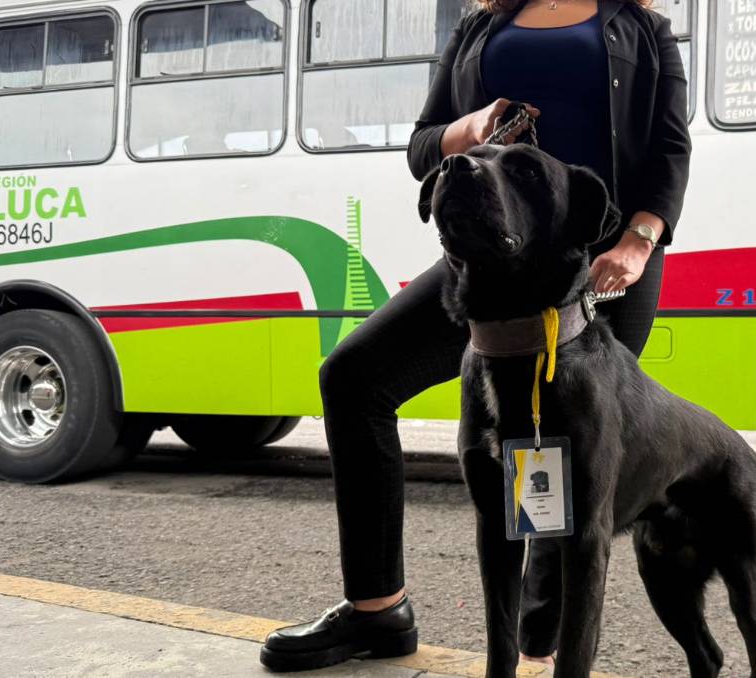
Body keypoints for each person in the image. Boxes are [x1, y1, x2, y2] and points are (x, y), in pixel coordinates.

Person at [260, 0, 690, 671]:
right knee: (353, 375)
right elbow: (422, 145)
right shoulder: (480, 25)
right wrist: (472, 128)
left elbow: (669, 145)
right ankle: (378, 610)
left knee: (560, 480)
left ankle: (542, 639)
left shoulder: (639, 25)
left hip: (598, 264)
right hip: (485, 255)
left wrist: (638, 241)